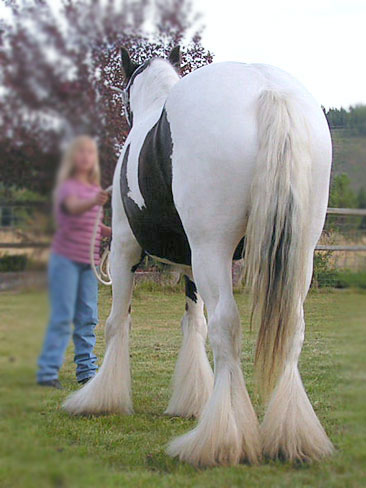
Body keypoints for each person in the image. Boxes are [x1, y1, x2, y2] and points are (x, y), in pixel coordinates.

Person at [37, 135, 111, 389]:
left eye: (90, 153)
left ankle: (87, 370)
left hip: (89, 263)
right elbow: (71, 209)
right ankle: (48, 371)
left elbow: (93, 225)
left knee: (88, 317)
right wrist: (93, 201)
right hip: (66, 261)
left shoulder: (93, 190)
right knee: (62, 316)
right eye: (80, 152)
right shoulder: (67, 187)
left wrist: (112, 232)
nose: (85, 157)